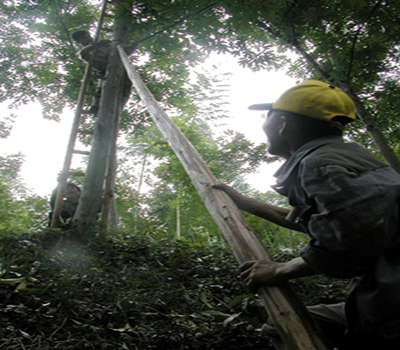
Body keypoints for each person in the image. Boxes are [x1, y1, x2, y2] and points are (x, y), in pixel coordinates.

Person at [213, 80, 400, 349]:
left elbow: (350, 243)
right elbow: (330, 224)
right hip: (385, 295)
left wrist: (279, 270)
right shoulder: (351, 158)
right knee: (284, 324)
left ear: (282, 123)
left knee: (289, 327)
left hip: (391, 307)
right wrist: (246, 203)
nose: (264, 124)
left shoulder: (320, 164)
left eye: (268, 116)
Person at [71, 30, 131, 114]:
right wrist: (99, 44)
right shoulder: (85, 50)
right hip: (104, 70)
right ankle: (95, 106)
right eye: (84, 38)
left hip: (119, 68)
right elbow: (83, 53)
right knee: (102, 89)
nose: (88, 38)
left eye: (88, 36)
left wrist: (132, 47)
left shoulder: (104, 46)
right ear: (78, 41)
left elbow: (123, 53)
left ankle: (117, 110)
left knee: (125, 90)